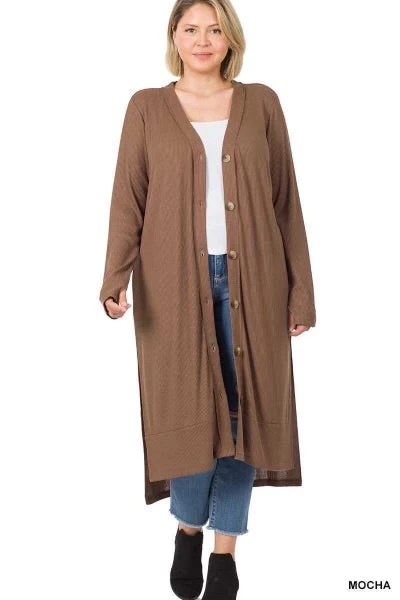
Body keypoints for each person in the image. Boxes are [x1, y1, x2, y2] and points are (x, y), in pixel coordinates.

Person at [99, 1, 316, 599]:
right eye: (191, 28)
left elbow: (286, 202)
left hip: (256, 285)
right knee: (189, 414)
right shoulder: (146, 107)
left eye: (215, 29)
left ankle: (225, 552)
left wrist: (301, 291)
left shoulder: (261, 103)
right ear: (174, 36)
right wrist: (114, 277)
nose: (203, 39)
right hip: (172, 287)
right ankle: (188, 527)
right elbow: (128, 200)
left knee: (247, 416)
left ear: (230, 38)